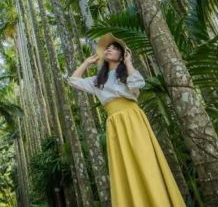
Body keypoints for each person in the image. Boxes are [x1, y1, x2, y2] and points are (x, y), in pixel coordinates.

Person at [66, 33, 186, 207]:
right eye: (108, 47)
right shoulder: (99, 80)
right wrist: (87, 62)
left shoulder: (127, 73)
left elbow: (137, 85)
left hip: (133, 119)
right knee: (124, 168)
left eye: (114, 48)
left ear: (121, 55)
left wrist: (129, 62)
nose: (109, 49)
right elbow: (73, 81)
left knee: (144, 161)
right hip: (114, 123)